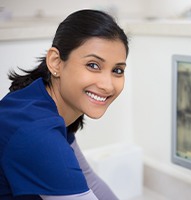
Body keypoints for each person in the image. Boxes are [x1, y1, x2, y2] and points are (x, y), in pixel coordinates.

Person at [0, 9, 129, 200]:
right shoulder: (38, 133)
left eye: (117, 70)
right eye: (93, 65)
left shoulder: (41, 102)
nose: (107, 85)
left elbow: (90, 180)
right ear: (55, 62)